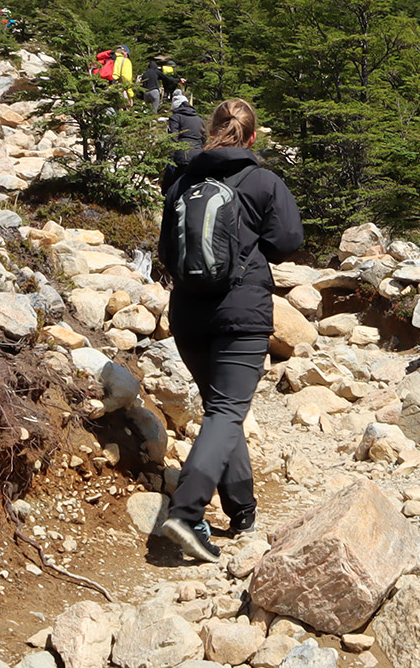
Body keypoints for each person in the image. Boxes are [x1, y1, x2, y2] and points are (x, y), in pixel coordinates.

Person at [154, 98, 303, 563]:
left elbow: (164, 250)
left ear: (209, 133)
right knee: (226, 410)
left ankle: (242, 510)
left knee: (222, 409)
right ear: (252, 137)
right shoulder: (262, 181)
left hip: (188, 317)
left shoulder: (181, 183)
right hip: (241, 314)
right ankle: (185, 511)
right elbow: (287, 243)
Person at [162, 78, 205, 182]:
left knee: (175, 187)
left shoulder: (176, 118)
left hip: (182, 156)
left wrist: (169, 156)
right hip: (198, 157)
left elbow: (173, 137)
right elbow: (204, 138)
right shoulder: (199, 119)